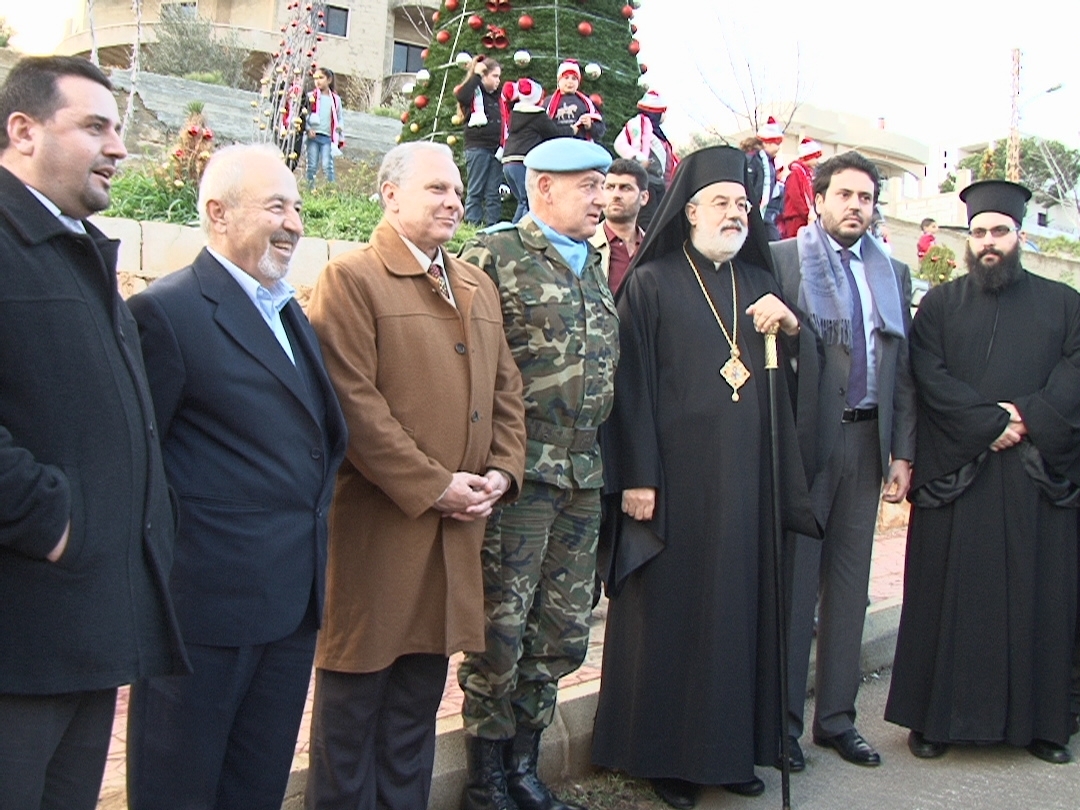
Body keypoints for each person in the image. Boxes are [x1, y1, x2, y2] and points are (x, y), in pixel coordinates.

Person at [591, 146, 820, 809]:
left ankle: (730, 751)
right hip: (673, 486)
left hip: (747, 485)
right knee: (674, 616)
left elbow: (798, 377)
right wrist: (637, 477)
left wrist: (792, 330)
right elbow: (628, 386)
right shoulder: (651, 283)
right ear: (688, 211)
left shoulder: (760, 283)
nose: (734, 213)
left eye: (742, 203)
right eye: (720, 202)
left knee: (739, 616)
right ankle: (666, 757)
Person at [303, 141, 527, 810]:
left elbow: (507, 391)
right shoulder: (351, 279)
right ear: (390, 194)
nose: (453, 201)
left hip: (454, 538)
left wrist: (502, 472)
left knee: (414, 710)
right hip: (379, 536)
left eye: (457, 189)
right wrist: (435, 486)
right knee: (353, 710)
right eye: (436, 188)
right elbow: (354, 405)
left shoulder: (476, 284)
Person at [125, 144, 348, 810]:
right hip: (205, 612)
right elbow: (141, 463)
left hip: (290, 604)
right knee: (180, 787)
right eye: (277, 207)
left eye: (298, 208)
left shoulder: (286, 311)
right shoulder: (167, 312)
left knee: (257, 784)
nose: (294, 224)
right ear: (218, 213)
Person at [0, 55, 187, 809]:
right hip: (21, 631)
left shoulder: (74, 246)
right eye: (95, 127)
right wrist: (50, 520)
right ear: (23, 131)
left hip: (88, 624)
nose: (119, 147)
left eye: (119, 129)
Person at [885, 179, 1080, 765]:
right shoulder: (940, 306)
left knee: (1041, 596)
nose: (989, 241)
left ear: (1019, 235)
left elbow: (1076, 368)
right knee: (948, 598)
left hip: (1034, 473)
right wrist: (988, 423)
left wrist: (1026, 417)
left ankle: (1044, 724)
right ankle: (934, 720)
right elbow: (926, 373)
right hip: (960, 472)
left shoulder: (1064, 303)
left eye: (1000, 231)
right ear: (967, 239)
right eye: (979, 232)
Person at [455, 137, 619, 810]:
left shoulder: (593, 265)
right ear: (544, 187)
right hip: (520, 472)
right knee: (501, 627)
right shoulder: (495, 255)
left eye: (604, 186)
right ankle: (486, 779)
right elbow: (465, 362)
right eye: (589, 187)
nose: (602, 199)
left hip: (582, 474)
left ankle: (524, 768)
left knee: (560, 630)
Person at [772, 150, 916, 770]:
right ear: (820, 199)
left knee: (851, 589)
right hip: (807, 445)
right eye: (845, 195)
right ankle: (781, 725)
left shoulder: (892, 272)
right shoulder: (783, 259)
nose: (856, 206)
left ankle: (835, 720)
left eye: (866, 198)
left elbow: (902, 370)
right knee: (796, 587)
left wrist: (902, 451)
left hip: (866, 442)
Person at [613, 89, 678, 230]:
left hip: (660, 182)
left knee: (661, 221)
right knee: (647, 221)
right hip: (646, 180)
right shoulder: (639, 123)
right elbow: (620, 144)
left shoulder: (658, 133)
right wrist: (639, 159)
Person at [455, 55, 505, 226]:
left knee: (493, 192)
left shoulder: (499, 97)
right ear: (484, 76)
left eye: (499, 76)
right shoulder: (474, 93)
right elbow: (461, 96)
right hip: (478, 147)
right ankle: (472, 224)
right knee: (476, 190)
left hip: (497, 149)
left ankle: (492, 226)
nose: (498, 80)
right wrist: (476, 75)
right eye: (495, 76)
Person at [501, 77, 558, 224]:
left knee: (523, 201)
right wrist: (573, 129)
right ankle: (521, 231)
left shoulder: (515, 115)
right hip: (523, 161)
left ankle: (515, 229)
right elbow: (555, 133)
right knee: (529, 200)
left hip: (508, 162)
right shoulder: (538, 116)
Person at [588, 157, 649, 295]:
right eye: (609, 187)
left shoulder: (653, 249)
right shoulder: (584, 246)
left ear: (644, 197)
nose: (616, 195)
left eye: (625, 188)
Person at [743, 116, 785, 241]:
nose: (778, 148)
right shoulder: (754, 159)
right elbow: (750, 186)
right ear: (766, 142)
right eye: (776, 143)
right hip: (756, 213)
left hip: (766, 213)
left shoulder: (769, 161)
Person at [545, 60, 605, 143]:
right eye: (566, 78)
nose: (570, 81)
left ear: (578, 82)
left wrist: (590, 125)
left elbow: (600, 130)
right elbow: (541, 127)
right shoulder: (548, 102)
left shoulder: (586, 103)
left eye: (574, 79)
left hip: (579, 146)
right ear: (559, 80)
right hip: (556, 145)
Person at [776, 137, 822, 239]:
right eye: (815, 157)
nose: (817, 161)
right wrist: (806, 212)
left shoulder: (807, 174)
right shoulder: (796, 173)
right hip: (795, 217)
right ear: (808, 156)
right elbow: (795, 196)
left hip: (802, 216)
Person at [305, 67, 343, 189]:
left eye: (321, 78)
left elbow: (339, 117)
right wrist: (308, 128)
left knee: (327, 165)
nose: (318, 81)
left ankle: (330, 191)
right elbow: (305, 115)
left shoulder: (335, 100)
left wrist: (339, 130)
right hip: (313, 136)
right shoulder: (311, 96)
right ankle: (310, 190)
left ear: (329, 80)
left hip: (327, 138)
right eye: (315, 78)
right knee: (311, 165)